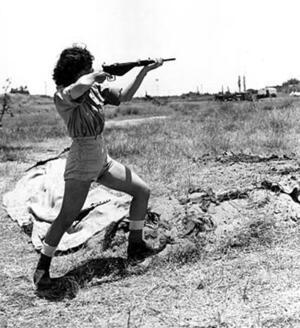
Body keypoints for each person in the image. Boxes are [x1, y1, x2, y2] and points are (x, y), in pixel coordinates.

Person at [33, 45, 164, 287]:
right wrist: (95, 75)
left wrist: (143, 71)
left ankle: (135, 246)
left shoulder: (94, 89)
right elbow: (77, 89)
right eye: (86, 68)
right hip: (82, 158)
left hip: (101, 156)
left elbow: (124, 95)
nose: (91, 71)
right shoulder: (63, 95)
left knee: (142, 190)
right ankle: (42, 270)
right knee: (67, 217)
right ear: (75, 71)